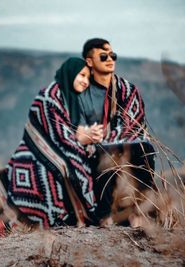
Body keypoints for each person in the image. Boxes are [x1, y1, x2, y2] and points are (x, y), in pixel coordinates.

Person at [0, 57, 102, 229]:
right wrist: (84, 139)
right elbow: (58, 136)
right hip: (34, 154)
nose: (86, 81)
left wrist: (90, 137)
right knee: (60, 170)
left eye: (88, 78)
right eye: (82, 75)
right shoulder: (48, 97)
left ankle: (79, 215)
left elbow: (71, 133)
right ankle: (57, 219)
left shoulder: (72, 100)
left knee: (91, 160)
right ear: (70, 73)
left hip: (57, 151)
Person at [77, 38, 153, 222]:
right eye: (103, 56)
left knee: (143, 147)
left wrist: (103, 137)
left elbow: (133, 124)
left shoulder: (127, 90)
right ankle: (101, 216)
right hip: (87, 150)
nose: (110, 59)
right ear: (89, 61)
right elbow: (71, 126)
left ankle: (143, 212)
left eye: (113, 55)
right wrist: (85, 137)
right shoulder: (80, 92)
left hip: (120, 146)